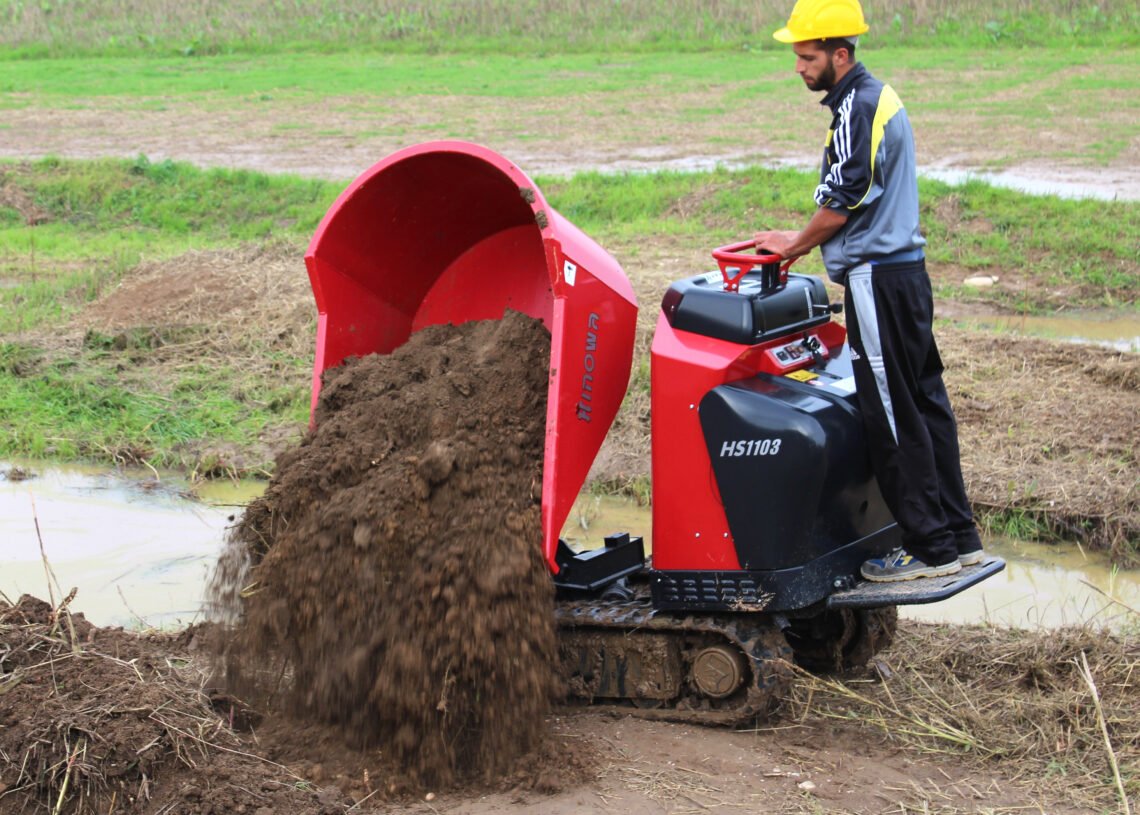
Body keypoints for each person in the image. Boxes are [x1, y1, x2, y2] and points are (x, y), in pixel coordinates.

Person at [754, 0, 984, 582]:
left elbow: (843, 201)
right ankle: (959, 539)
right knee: (925, 403)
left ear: (840, 54)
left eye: (807, 57)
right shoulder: (871, 100)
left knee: (891, 411)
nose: (799, 68)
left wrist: (792, 245)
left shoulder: (861, 106)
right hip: (904, 277)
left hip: (878, 280)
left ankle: (929, 550)